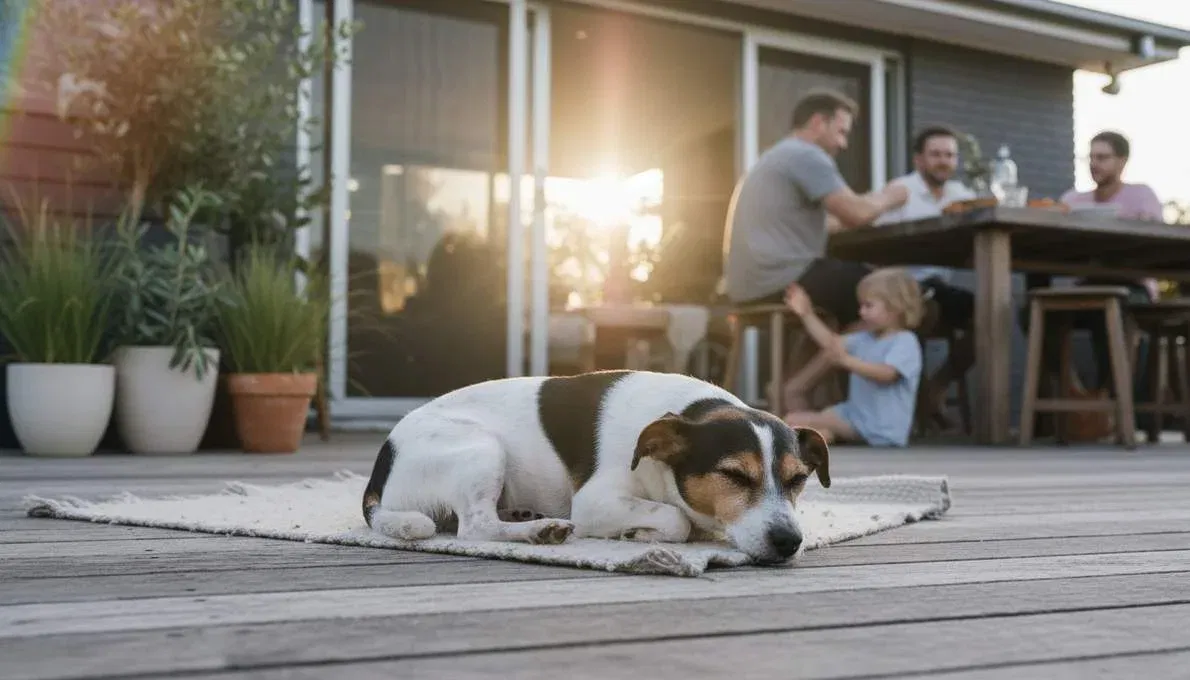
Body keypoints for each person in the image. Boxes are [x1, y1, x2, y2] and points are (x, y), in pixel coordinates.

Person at [722, 88, 909, 409]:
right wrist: (892, 196)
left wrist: (863, 208)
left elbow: (829, 224)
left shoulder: (778, 156)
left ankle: (787, 386)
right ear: (818, 122)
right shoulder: (806, 155)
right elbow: (856, 213)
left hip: (754, 281)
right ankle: (795, 388)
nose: (843, 144)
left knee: (844, 293)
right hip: (781, 277)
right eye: (841, 132)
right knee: (886, 296)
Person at [873, 125, 977, 427]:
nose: (943, 160)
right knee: (923, 310)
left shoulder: (963, 197)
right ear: (919, 159)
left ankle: (937, 386)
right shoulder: (900, 191)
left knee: (990, 317)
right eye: (936, 154)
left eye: (949, 155)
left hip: (940, 287)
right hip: (906, 288)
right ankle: (915, 403)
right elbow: (875, 240)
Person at [782, 268, 924, 447]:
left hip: (881, 428)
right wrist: (807, 313)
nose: (861, 312)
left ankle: (819, 438)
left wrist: (847, 361)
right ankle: (822, 437)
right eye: (861, 306)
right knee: (798, 421)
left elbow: (887, 374)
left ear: (895, 308)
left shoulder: (904, 341)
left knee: (797, 420)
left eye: (869, 306)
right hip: (855, 415)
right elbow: (831, 343)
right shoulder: (864, 338)